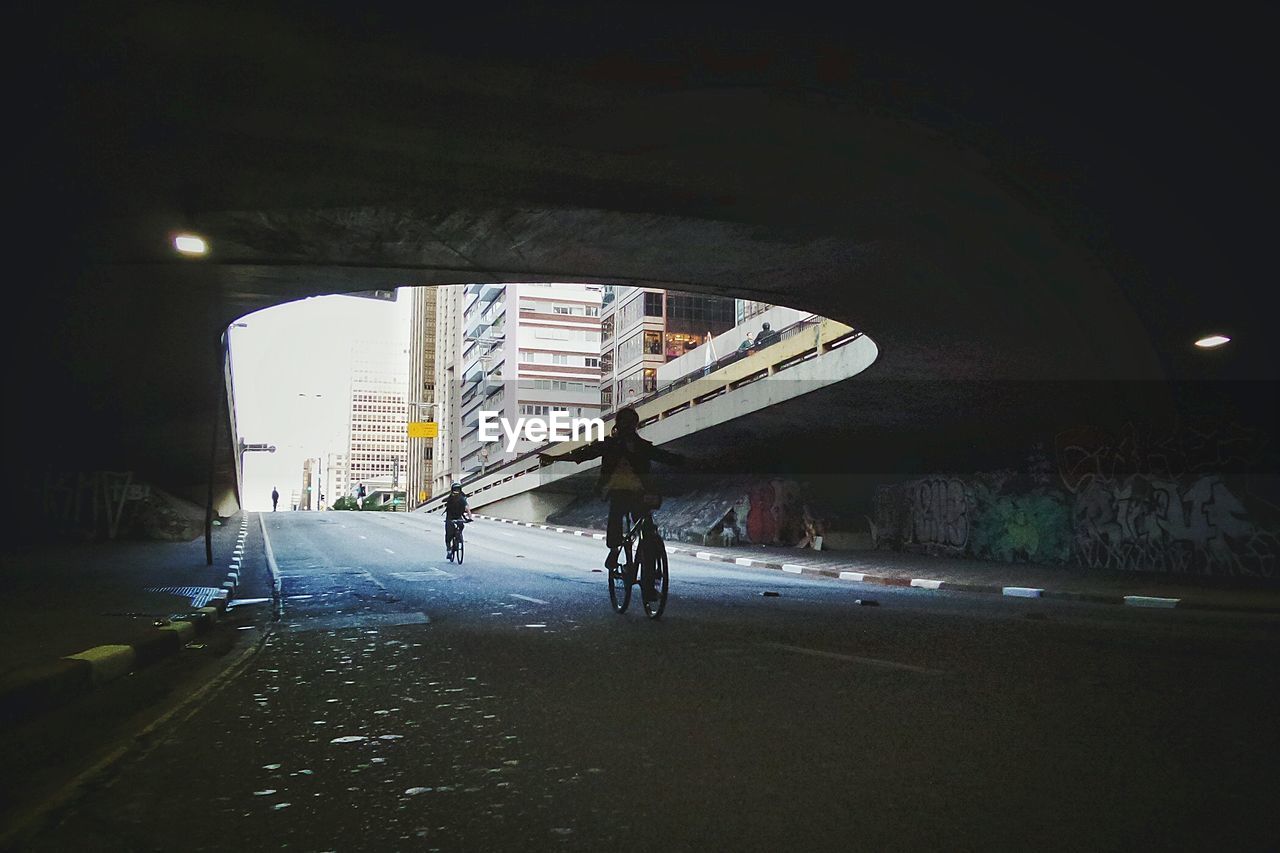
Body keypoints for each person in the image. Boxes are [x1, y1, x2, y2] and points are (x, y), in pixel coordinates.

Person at [539, 406, 685, 572]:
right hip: (621, 490)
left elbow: (669, 458)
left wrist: (698, 464)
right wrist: (555, 458)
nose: (628, 426)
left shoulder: (640, 446)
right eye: (626, 423)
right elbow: (583, 454)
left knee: (641, 526)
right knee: (619, 518)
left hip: (640, 492)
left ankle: (631, 559)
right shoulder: (613, 445)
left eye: (630, 423)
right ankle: (616, 551)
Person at [443, 482, 472, 556]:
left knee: (461, 526)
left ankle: (458, 538)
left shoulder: (462, 498)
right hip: (450, 518)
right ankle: (449, 550)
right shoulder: (450, 498)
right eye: (455, 490)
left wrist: (469, 517)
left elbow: (467, 508)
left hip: (458, 517)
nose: (456, 491)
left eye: (457, 490)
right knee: (448, 535)